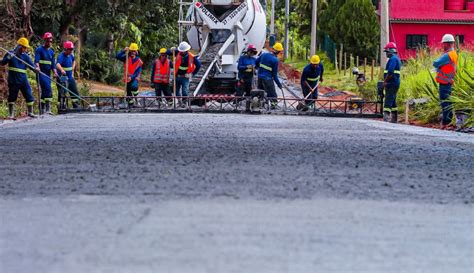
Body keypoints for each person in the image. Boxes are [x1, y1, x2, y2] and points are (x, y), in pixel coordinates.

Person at [1, 37, 39, 119]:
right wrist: (8, 58)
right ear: (19, 46)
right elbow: (3, 63)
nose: (25, 49)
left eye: (26, 48)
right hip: (13, 79)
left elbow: (32, 67)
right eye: (24, 47)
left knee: (28, 94)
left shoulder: (26, 57)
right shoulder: (11, 53)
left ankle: (30, 112)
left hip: (23, 79)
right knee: (12, 96)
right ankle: (11, 114)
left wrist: (36, 70)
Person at [433, 34, 458, 129]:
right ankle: (449, 121)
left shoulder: (448, 55)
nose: (442, 45)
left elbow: (435, 63)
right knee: (449, 102)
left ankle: (446, 122)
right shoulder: (454, 54)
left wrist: (439, 64)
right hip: (449, 81)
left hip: (444, 82)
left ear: (447, 44)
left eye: (443, 44)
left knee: (445, 103)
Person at [256, 42, 283, 109]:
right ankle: (274, 106)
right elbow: (274, 75)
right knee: (272, 94)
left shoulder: (264, 55)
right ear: (278, 52)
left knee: (260, 92)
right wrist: (279, 84)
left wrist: (259, 69)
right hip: (267, 79)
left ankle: (259, 105)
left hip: (260, 78)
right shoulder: (275, 60)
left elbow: (256, 62)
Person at [173, 41, 201, 106]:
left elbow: (198, 65)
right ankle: (180, 102)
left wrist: (192, 74)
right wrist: (171, 50)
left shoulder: (191, 57)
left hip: (185, 77)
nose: (181, 52)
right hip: (177, 76)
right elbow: (168, 52)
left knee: (184, 91)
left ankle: (185, 103)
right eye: (181, 51)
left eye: (183, 51)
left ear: (186, 50)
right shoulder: (177, 52)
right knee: (176, 91)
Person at [35, 32, 57, 114]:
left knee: (44, 91)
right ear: (44, 41)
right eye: (47, 41)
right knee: (48, 89)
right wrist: (37, 67)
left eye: (50, 41)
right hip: (40, 74)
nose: (49, 42)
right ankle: (48, 109)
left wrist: (55, 72)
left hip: (48, 74)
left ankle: (42, 108)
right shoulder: (39, 50)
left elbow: (53, 64)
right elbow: (36, 61)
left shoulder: (52, 51)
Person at [116, 43, 143, 107]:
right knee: (128, 93)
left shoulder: (139, 61)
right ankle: (131, 104)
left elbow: (137, 72)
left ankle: (137, 99)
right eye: (131, 51)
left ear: (136, 51)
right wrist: (124, 51)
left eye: (134, 51)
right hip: (127, 79)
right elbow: (117, 56)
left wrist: (132, 77)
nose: (133, 52)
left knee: (133, 87)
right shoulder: (126, 58)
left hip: (134, 78)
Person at [56, 41, 80, 109]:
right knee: (62, 93)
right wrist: (61, 70)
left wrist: (72, 69)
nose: (71, 51)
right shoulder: (61, 56)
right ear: (65, 49)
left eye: (72, 49)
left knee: (74, 91)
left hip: (70, 77)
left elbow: (74, 61)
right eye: (70, 49)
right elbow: (57, 64)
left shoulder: (71, 55)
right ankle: (61, 106)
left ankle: (76, 106)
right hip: (62, 78)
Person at [382, 42, 402, 123]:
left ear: (390, 51)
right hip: (394, 82)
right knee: (393, 99)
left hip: (391, 83)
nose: (386, 54)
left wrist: (385, 81)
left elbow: (390, 71)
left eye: (387, 52)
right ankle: (394, 118)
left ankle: (386, 117)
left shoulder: (393, 59)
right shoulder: (396, 58)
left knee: (388, 99)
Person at [237, 44, 258, 109]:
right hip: (243, 76)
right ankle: (237, 105)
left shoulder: (254, 59)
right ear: (248, 51)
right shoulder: (242, 58)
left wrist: (254, 69)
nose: (252, 53)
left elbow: (256, 67)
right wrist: (246, 67)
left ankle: (248, 106)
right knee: (240, 91)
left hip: (250, 77)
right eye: (251, 52)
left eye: (253, 52)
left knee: (249, 92)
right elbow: (239, 67)